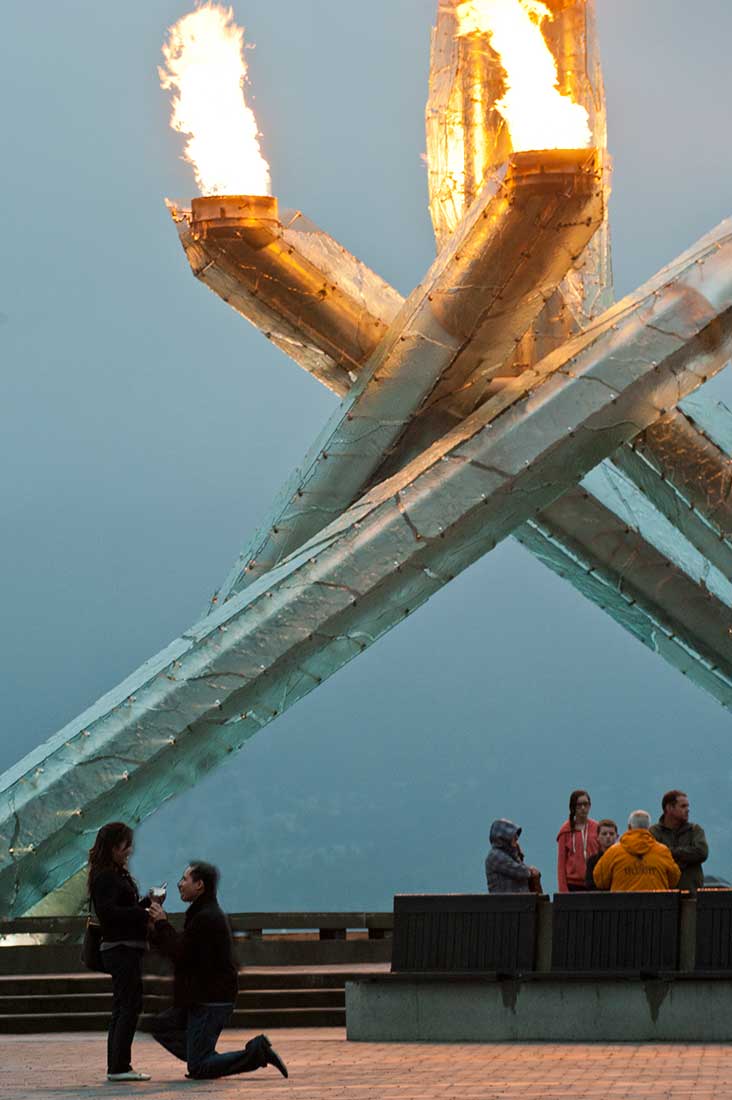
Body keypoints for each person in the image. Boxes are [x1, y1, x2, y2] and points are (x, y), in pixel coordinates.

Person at [148, 861, 288, 1081]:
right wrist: (156, 926)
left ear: (200, 885)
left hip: (210, 999)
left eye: (185, 879)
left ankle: (255, 1053)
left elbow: (182, 954)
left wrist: (163, 923)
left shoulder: (206, 917)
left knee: (199, 1068)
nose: (179, 884)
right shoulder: (201, 913)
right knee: (160, 1026)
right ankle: (201, 1054)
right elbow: (177, 949)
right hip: (199, 996)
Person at [88, 822, 151, 1083]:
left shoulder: (113, 874)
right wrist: (142, 912)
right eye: (126, 845)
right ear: (114, 847)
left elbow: (118, 908)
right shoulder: (106, 877)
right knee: (130, 1005)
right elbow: (109, 913)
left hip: (123, 948)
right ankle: (119, 1066)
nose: (130, 850)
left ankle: (117, 1064)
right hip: (120, 948)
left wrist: (147, 903)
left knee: (123, 1006)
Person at [593, 810, 681, 891]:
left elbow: (600, 881)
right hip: (656, 906)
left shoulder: (613, 852)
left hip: (622, 906)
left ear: (629, 827)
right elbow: (674, 880)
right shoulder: (662, 851)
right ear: (648, 828)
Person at [649, 790, 708, 893]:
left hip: (692, 895)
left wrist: (669, 852)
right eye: (683, 806)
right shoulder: (653, 832)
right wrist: (686, 857)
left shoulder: (694, 830)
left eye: (687, 806)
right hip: (663, 896)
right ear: (669, 808)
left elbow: (702, 852)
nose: (687, 810)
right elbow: (653, 856)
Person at [557, 790, 598, 892]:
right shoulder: (565, 830)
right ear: (573, 807)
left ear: (590, 806)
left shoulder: (597, 828)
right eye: (579, 805)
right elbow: (561, 864)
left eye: (585, 804)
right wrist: (563, 890)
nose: (583, 808)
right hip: (573, 885)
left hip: (594, 883)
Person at [485, 819, 541, 893]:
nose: (517, 837)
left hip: (518, 901)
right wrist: (531, 871)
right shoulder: (495, 856)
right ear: (503, 837)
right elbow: (521, 872)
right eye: (512, 835)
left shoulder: (508, 854)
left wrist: (515, 851)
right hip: (506, 902)